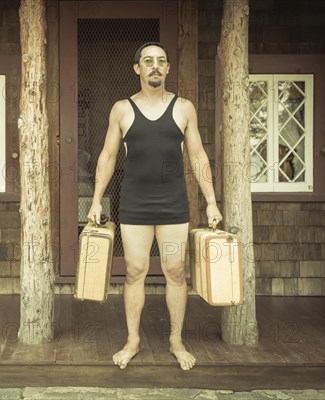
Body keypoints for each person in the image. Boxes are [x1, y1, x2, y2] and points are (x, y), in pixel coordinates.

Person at [87, 42, 223, 371]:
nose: (155, 66)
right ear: (137, 68)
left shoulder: (183, 108)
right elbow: (107, 156)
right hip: (134, 202)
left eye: (161, 61)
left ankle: (176, 341)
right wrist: (94, 200)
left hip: (173, 202)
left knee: (175, 272)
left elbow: (198, 156)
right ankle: (133, 340)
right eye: (148, 61)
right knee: (135, 271)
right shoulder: (121, 109)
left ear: (168, 69)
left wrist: (211, 202)